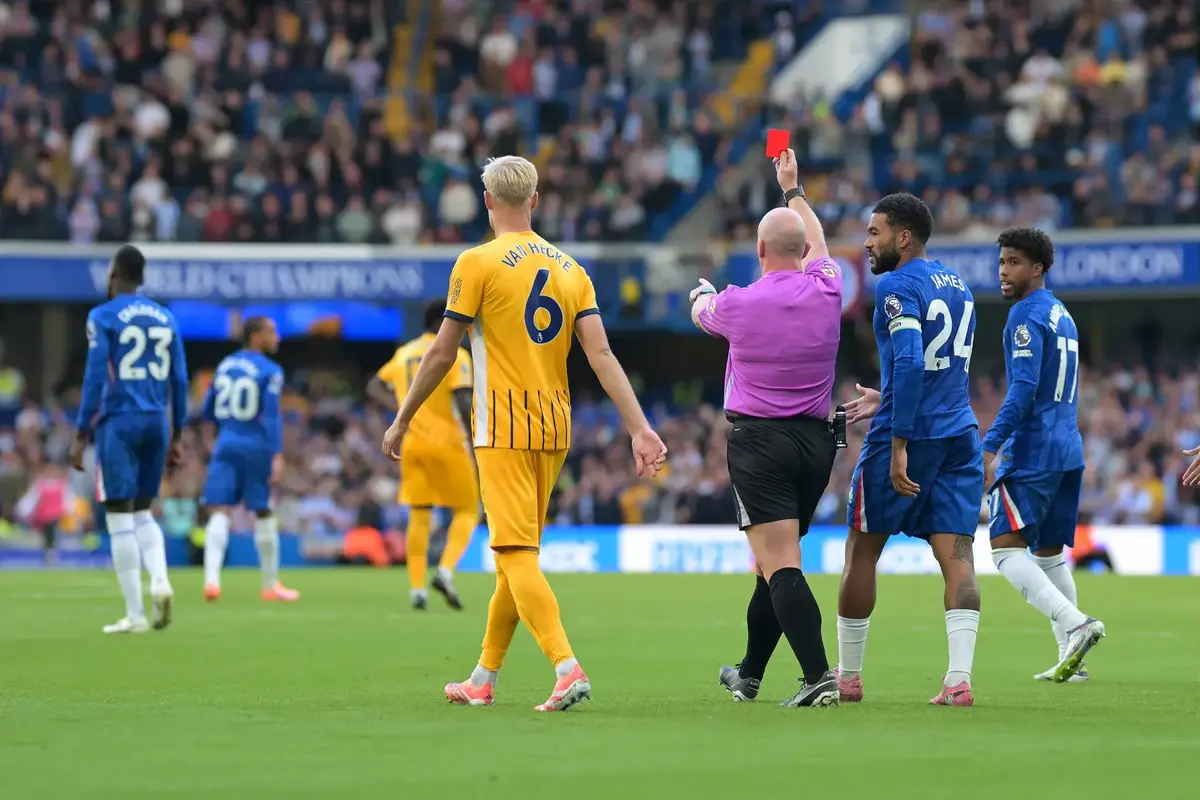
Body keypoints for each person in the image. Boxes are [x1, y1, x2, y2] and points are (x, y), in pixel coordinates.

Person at [381, 155, 667, 712]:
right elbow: (602, 354)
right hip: (554, 426)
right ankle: (483, 677)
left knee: (513, 552)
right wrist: (640, 427)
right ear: (535, 200)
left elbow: (443, 351)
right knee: (518, 555)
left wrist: (403, 416)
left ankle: (566, 667)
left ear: (488, 201)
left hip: (501, 424)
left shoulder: (476, 262)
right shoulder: (571, 269)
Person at [691, 148, 841, 708]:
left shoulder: (737, 303)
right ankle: (750, 673)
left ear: (758, 251)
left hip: (761, 444)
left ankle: (819, 675)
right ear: (802, 251)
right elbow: (821, 242)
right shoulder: (827, 287)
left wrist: (700, 294)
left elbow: (701, 312)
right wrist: (793, 189)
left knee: (780, 565)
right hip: (816, 444)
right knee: (770, 564)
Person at [837, 193, 983, 706]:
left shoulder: (897, 285)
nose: (866, 242)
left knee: (861, 550)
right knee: (958, 557)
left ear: (903, 237)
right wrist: (888, 395)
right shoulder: (959, 284)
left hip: (910, 436)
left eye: (874, 232)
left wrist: (898, 442)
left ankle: (848, 678)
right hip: (960, 434)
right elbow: (942, 367)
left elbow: (914, 363)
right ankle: (958, 681)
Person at [982, 228, 1104, 683]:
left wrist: (991, 443)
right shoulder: (1061, 313)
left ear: (1037, 268)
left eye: (1013, 262)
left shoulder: (1025, 315)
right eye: (1001, 262)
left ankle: (1077, 624)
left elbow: (1025, 388)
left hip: (1033, 450)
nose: (1003, 272)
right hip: (1067, 447)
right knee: (1049, 555)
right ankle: (1072, 661)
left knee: (1003, 549)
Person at [70, 244, 188, 634]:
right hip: (157, 421)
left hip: (119, 421)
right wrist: (179, 431)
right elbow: (180, 380)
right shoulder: (165, 317)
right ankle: (161, 581)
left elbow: (94, 377)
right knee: (143, 511)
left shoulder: (102, 315)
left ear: (116, 272)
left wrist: (81, 432)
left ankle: (136, 614)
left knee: (120, 516)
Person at [369, 298, 478, 610]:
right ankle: (444, 571)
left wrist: (404, 411)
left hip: (413, 442)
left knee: (419, 513)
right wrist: (478, 439)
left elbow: (374, 385)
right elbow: (462, 401)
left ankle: (417, 589)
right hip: (449, 442)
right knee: (468, 510)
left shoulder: (404, 353)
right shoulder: (455, 355)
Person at [199, 316, 298, 602]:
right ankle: (270, 585)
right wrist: (276, 455)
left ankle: (212, 581)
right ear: (255, 336)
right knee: (263, 511)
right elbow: (271, 416)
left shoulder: (225, 365)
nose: (276, 336)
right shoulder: (270, 370)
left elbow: (207, 410)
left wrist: (215, 437)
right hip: (255, 446)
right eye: (271, 331)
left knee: (220, 510)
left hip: (226, 442)